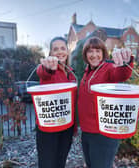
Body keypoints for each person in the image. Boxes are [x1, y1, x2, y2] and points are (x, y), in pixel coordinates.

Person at [78, 37, 133, 168]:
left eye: (98, 51)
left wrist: (125, 63)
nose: (94, 55)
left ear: (103, 53)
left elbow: (121, 73)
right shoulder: (87, 71)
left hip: (104, 133)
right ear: (85, 54)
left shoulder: (108, 68)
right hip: (87, 131)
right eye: (90, 51)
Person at [36, 36, 77, 168]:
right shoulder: (50, 70)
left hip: (67, 127)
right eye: (55, 49)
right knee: (47, 164)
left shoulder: (71, 73)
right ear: (51, 53)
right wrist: (48, 67)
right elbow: (42, 72)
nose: (60, 52)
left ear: (67, 51)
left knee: (61, 162)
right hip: (49, 128)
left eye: (63, 48)